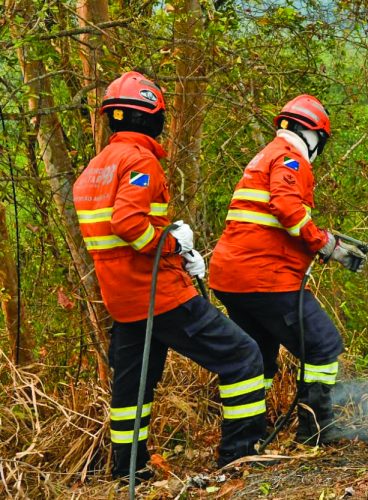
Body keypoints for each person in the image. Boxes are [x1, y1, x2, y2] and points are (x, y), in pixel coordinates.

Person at [73, 71, 267, 479]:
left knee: (132, 391)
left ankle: (129, 470)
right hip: (160, 295)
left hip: (123, 301)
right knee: (243, 356)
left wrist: (170, 241)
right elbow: (128, 223)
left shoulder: (94, 168)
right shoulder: (140, 160)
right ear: (153, 116)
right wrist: (175, 245)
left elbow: (118, 228)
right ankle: (240, 454)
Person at [209, 94, 366, 446]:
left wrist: (328, 242)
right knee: (323, 347)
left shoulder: (264, 157)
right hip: (264, 278)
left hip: (231, 277)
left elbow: (271, 223)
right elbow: (285, 205)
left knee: (256, 359)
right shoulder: (289, 159)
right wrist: (323, 244)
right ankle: (315, 433)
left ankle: (242, 445)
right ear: (312, 134)